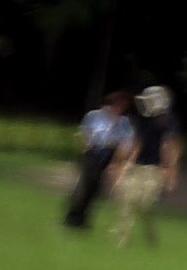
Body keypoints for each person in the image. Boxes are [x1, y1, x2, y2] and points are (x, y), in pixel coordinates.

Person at [108, 86, 178, 246]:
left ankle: (150, 232)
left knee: (146, 203)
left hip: (154, 169)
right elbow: (134, 143)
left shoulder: (168, 123)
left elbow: (168, 147)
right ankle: (121, 239)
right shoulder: (140, 120)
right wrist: (122, 164)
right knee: (126, 199)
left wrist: (171, 171)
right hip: (136, 166)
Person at [61, 89, 130, 233]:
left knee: (96, 190)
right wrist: (86, 147)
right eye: (117, 105)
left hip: (108, 155)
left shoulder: (123, 122)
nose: (118, 109)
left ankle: (84, 219)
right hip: (92, 152)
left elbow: (125, 143)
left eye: (121, 106)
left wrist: (117, 162)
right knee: (84, 186)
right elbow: (83, 133)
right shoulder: (95, 116)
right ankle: (72, 217)